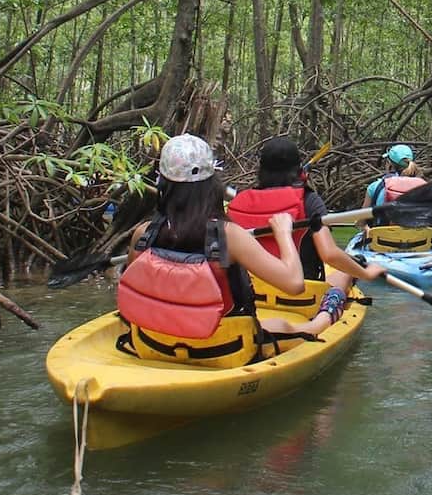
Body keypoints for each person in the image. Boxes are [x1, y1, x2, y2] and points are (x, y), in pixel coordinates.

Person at [118, 134, 305, 362]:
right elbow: (294, 284)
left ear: (163, 183)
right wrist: (284, 232)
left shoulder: (144, 233)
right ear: (211, 184)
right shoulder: (229, 236)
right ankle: (323, 320)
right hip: (223, 348)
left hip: (154, 344)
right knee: (285, 325)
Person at [228, 136, 385, 337]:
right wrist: (366, 273)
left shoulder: (239, 201)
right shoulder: (309, 200)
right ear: (298, 168)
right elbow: (329, 255)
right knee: (345, 274)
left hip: (249, 292)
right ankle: (321, 320)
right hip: (301, 296)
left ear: (261, 168)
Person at [362, 143, 426, 222]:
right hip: (419, 234)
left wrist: (361, 224)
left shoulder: (374, 187)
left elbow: (362, 221)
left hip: (383, 234)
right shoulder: (424, 187)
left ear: (389, 164)